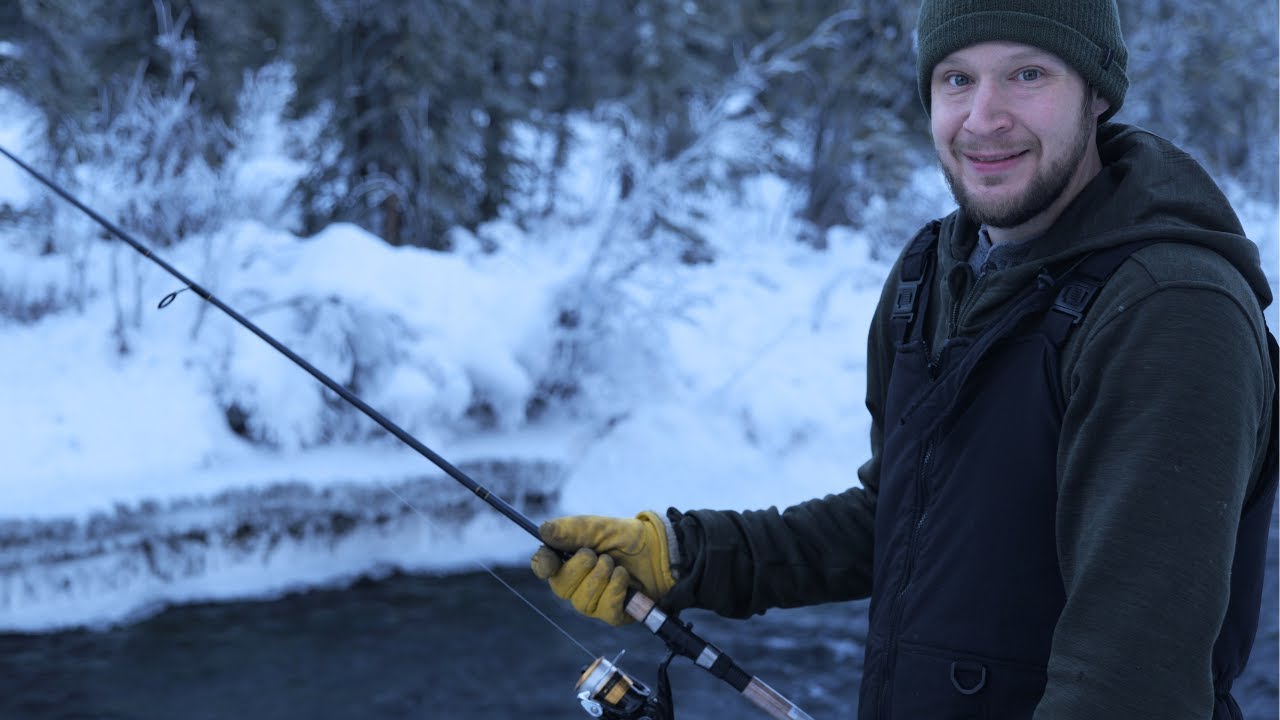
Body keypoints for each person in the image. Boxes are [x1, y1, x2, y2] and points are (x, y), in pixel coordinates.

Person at [530, 1, 1279, 718]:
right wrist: (686, 558)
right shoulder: (933, 273)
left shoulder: (1172, 312)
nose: (984, 118)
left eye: (1027, 74)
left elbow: (1133, 675)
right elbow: (908, 520)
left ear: (1098, 93)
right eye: (957, 78)